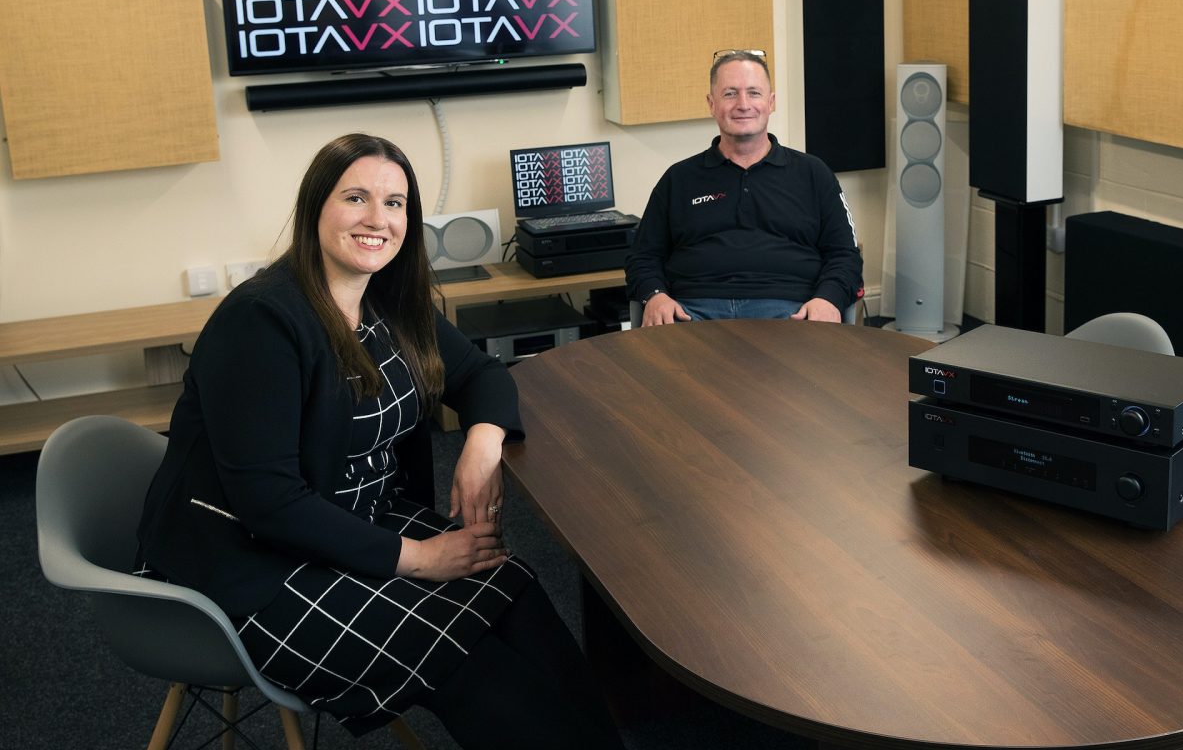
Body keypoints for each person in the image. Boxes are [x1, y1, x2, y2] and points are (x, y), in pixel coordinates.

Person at [135, 134, 621, 749]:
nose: (377, 220)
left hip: (352, 519)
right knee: (472, 667)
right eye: (356, 198)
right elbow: (268, 502)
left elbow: (481, 375)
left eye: (395, 203)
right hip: (249, 557)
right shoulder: (261, 321)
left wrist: (483, 442)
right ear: (317, 206)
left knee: (516, 592)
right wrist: (418, 559)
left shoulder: (388, 302)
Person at [625, 48, 862, 325]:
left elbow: (845, 255)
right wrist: (655, 296)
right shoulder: (678, 179)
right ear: (711, 103)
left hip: (791, 314)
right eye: (730, 93)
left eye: (754, 92)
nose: (743, 104)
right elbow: (643, 257)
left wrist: (828, 298)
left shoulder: (814, 174)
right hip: (692, 314)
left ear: (771, 102)